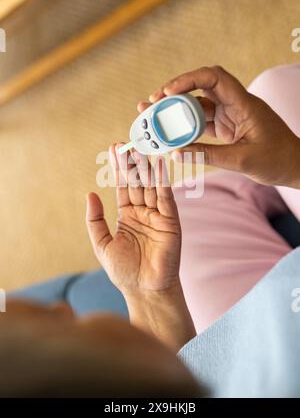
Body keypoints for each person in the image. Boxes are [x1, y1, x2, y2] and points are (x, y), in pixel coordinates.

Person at [3, 64, 300, 397]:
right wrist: (291, 161)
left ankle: (270, 189)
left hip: (234, 353)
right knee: (275, 88)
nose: (62, 309)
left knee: (186, 206)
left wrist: (152, 295)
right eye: (65, 323)